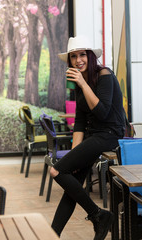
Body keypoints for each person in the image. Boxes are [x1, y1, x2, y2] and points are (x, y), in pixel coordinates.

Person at [50, 35, 125, 240]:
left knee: (56, 170)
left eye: (82, 55)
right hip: (94, 136)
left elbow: (102, 113)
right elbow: (80, 122)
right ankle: (51, 234)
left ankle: (98, 215)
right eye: (73, 57)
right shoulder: (79, 82)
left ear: (90, 56)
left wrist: (83, 84)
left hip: (111, 134)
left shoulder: (104, 75)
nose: (78, 60)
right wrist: (74, 155)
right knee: (71, 186)